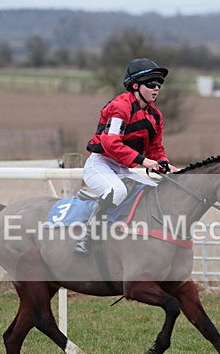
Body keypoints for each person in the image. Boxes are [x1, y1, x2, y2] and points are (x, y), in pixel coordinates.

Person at [74, 58, 177, 255]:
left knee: (155, 192)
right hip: (100, 164)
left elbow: (155, 148)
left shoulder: (155, 115)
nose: (156, 89)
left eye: (159, 85)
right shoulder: (120, 107)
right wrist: (143, 161)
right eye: (151, 84)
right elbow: (110, 143)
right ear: (135, 86)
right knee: (117, 191)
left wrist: (163, 163)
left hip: (122, 168)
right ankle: (86, 238)